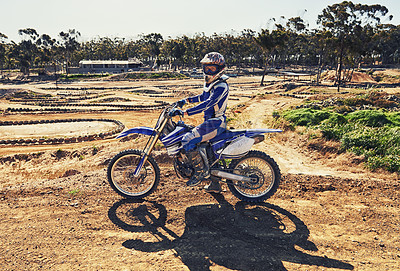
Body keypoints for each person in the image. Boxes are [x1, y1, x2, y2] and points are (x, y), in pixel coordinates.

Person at [170, 52, 229, 192]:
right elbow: (203, 96)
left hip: (216, 123)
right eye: (206, 67)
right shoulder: (211, 83)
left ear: (220, 69)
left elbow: (208, 103)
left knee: (187, 139)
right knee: (206, 149)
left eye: (212, 68)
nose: (208, 71)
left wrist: (185, 112)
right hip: (210, 122)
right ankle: (215, 184)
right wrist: (185, 101)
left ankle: (200, 172)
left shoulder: (221, 86)